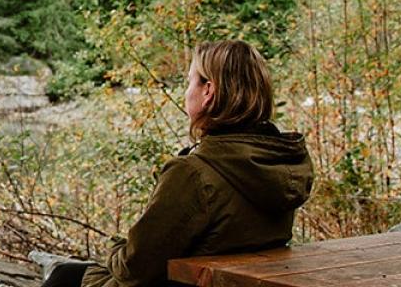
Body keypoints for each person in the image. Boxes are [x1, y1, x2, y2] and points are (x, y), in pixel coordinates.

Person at [51, 40, 316, 287]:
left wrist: (116, 246)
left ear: (208, 91)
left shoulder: (193, 174)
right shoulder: (279, 161)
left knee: (63, 277)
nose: (186, 91)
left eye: (189, 82)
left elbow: (134, 268)